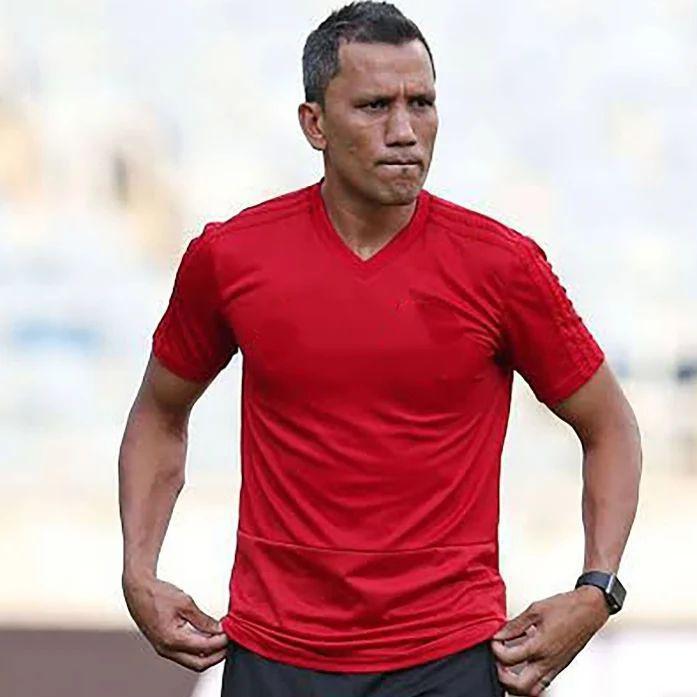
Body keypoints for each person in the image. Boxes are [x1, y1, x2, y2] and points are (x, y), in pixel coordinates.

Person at [118, 2, 642, 696]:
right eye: (374, 106)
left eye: (420, 103)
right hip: (275, 659)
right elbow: (160, 412)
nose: (404, 130)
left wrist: (597, 588)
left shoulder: (501, 265)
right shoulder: (232, 256)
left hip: (448, 659)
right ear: (314, 124)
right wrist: (139, 570)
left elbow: (610, 427)